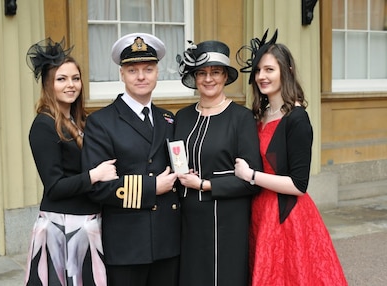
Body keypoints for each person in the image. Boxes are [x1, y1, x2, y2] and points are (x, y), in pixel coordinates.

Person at [235, 29, 348, 285]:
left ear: (286, 70)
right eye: (258, 71)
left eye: (269, 70)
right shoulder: (260, 115)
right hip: (259, 212)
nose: (262, 76)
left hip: (286, 216)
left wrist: (251, 175)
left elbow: (299, 185)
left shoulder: (296, 118)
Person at [81, 33, 180, 286]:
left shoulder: (168, 119)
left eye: (148, 69)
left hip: (167, 241)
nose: (141, 76)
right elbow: (99, 188)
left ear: (158, 73)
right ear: (121, 75)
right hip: (127, 245)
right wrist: (152, 187)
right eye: (132, 70)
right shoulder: (101, 122)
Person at [24, 38, 118, 286]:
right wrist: (94, 176)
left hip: (88, 224)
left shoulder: (83, 121)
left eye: (75, 78)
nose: (71, 85)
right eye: (61, 79)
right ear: (48, 84)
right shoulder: (43, 126)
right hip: (61, 228)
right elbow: (54, 186)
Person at [174, 40, 262, 286]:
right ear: (194, 77)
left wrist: (204, 184)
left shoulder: (241, 118)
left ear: (225, 77)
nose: (208, 79)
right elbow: (177, 161)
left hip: (227, 220)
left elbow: (251, 181)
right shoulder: (183, 116)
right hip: (188, 220)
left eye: (215, 72)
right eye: (202, 73)